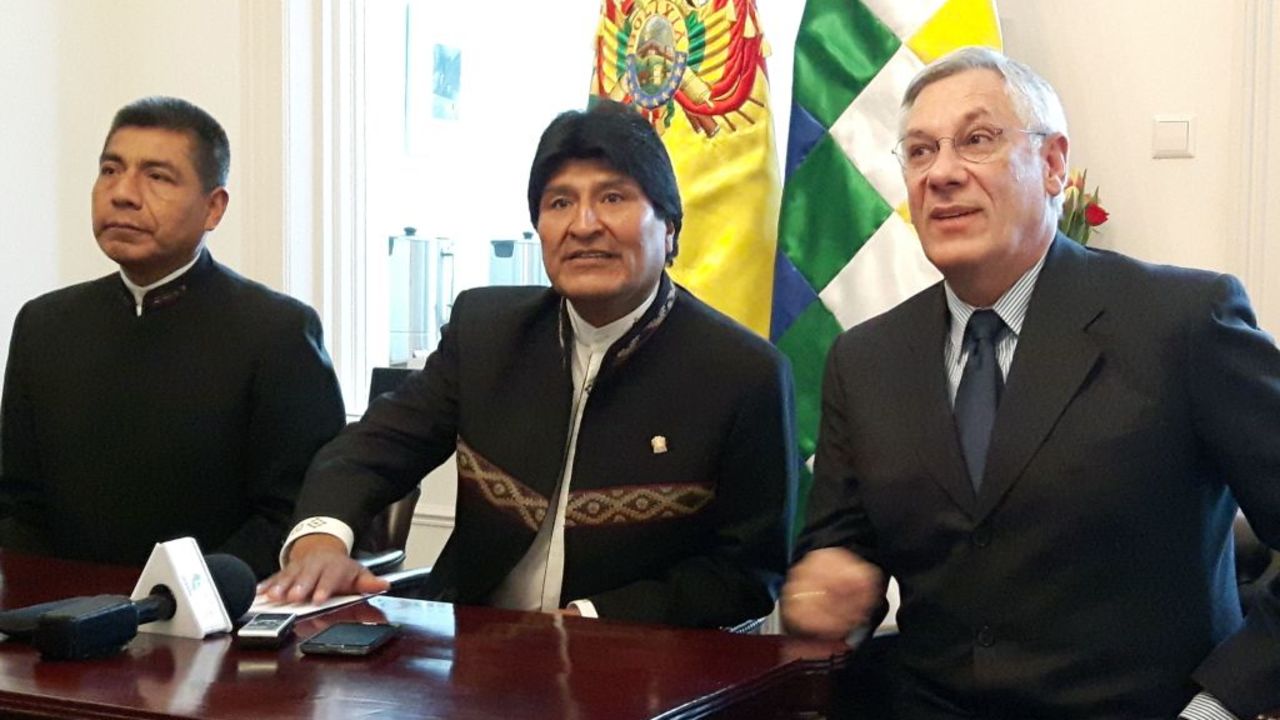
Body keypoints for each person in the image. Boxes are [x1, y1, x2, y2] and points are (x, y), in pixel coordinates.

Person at [781, 47, 1280, 719]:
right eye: (920, 152)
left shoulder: (1181, 323)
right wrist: (829, 588)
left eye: (977, 140)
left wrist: (1221, 705)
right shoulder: (865, 360)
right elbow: (840, 552)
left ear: (1052, 165)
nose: (943, 174)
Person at [262, 100, 796, 628]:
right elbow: (370, 449)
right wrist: (319, 541)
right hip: (471, 653)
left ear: (670, 228)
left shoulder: (744, 374)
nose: (583, 225)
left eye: (612, 198)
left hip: (637, 664)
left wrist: (592, 619)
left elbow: (746, 572)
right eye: (559, 203)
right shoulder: (485, 331)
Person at [0, 97, 346, 579]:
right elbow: (19, 507)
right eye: (109, 170)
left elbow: (288, 515)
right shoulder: (44, 324)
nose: (122, 193)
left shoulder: (276, 331)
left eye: (157, 176)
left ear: (213, 208)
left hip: (209, 622)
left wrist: (180, 595)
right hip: (55, 619)